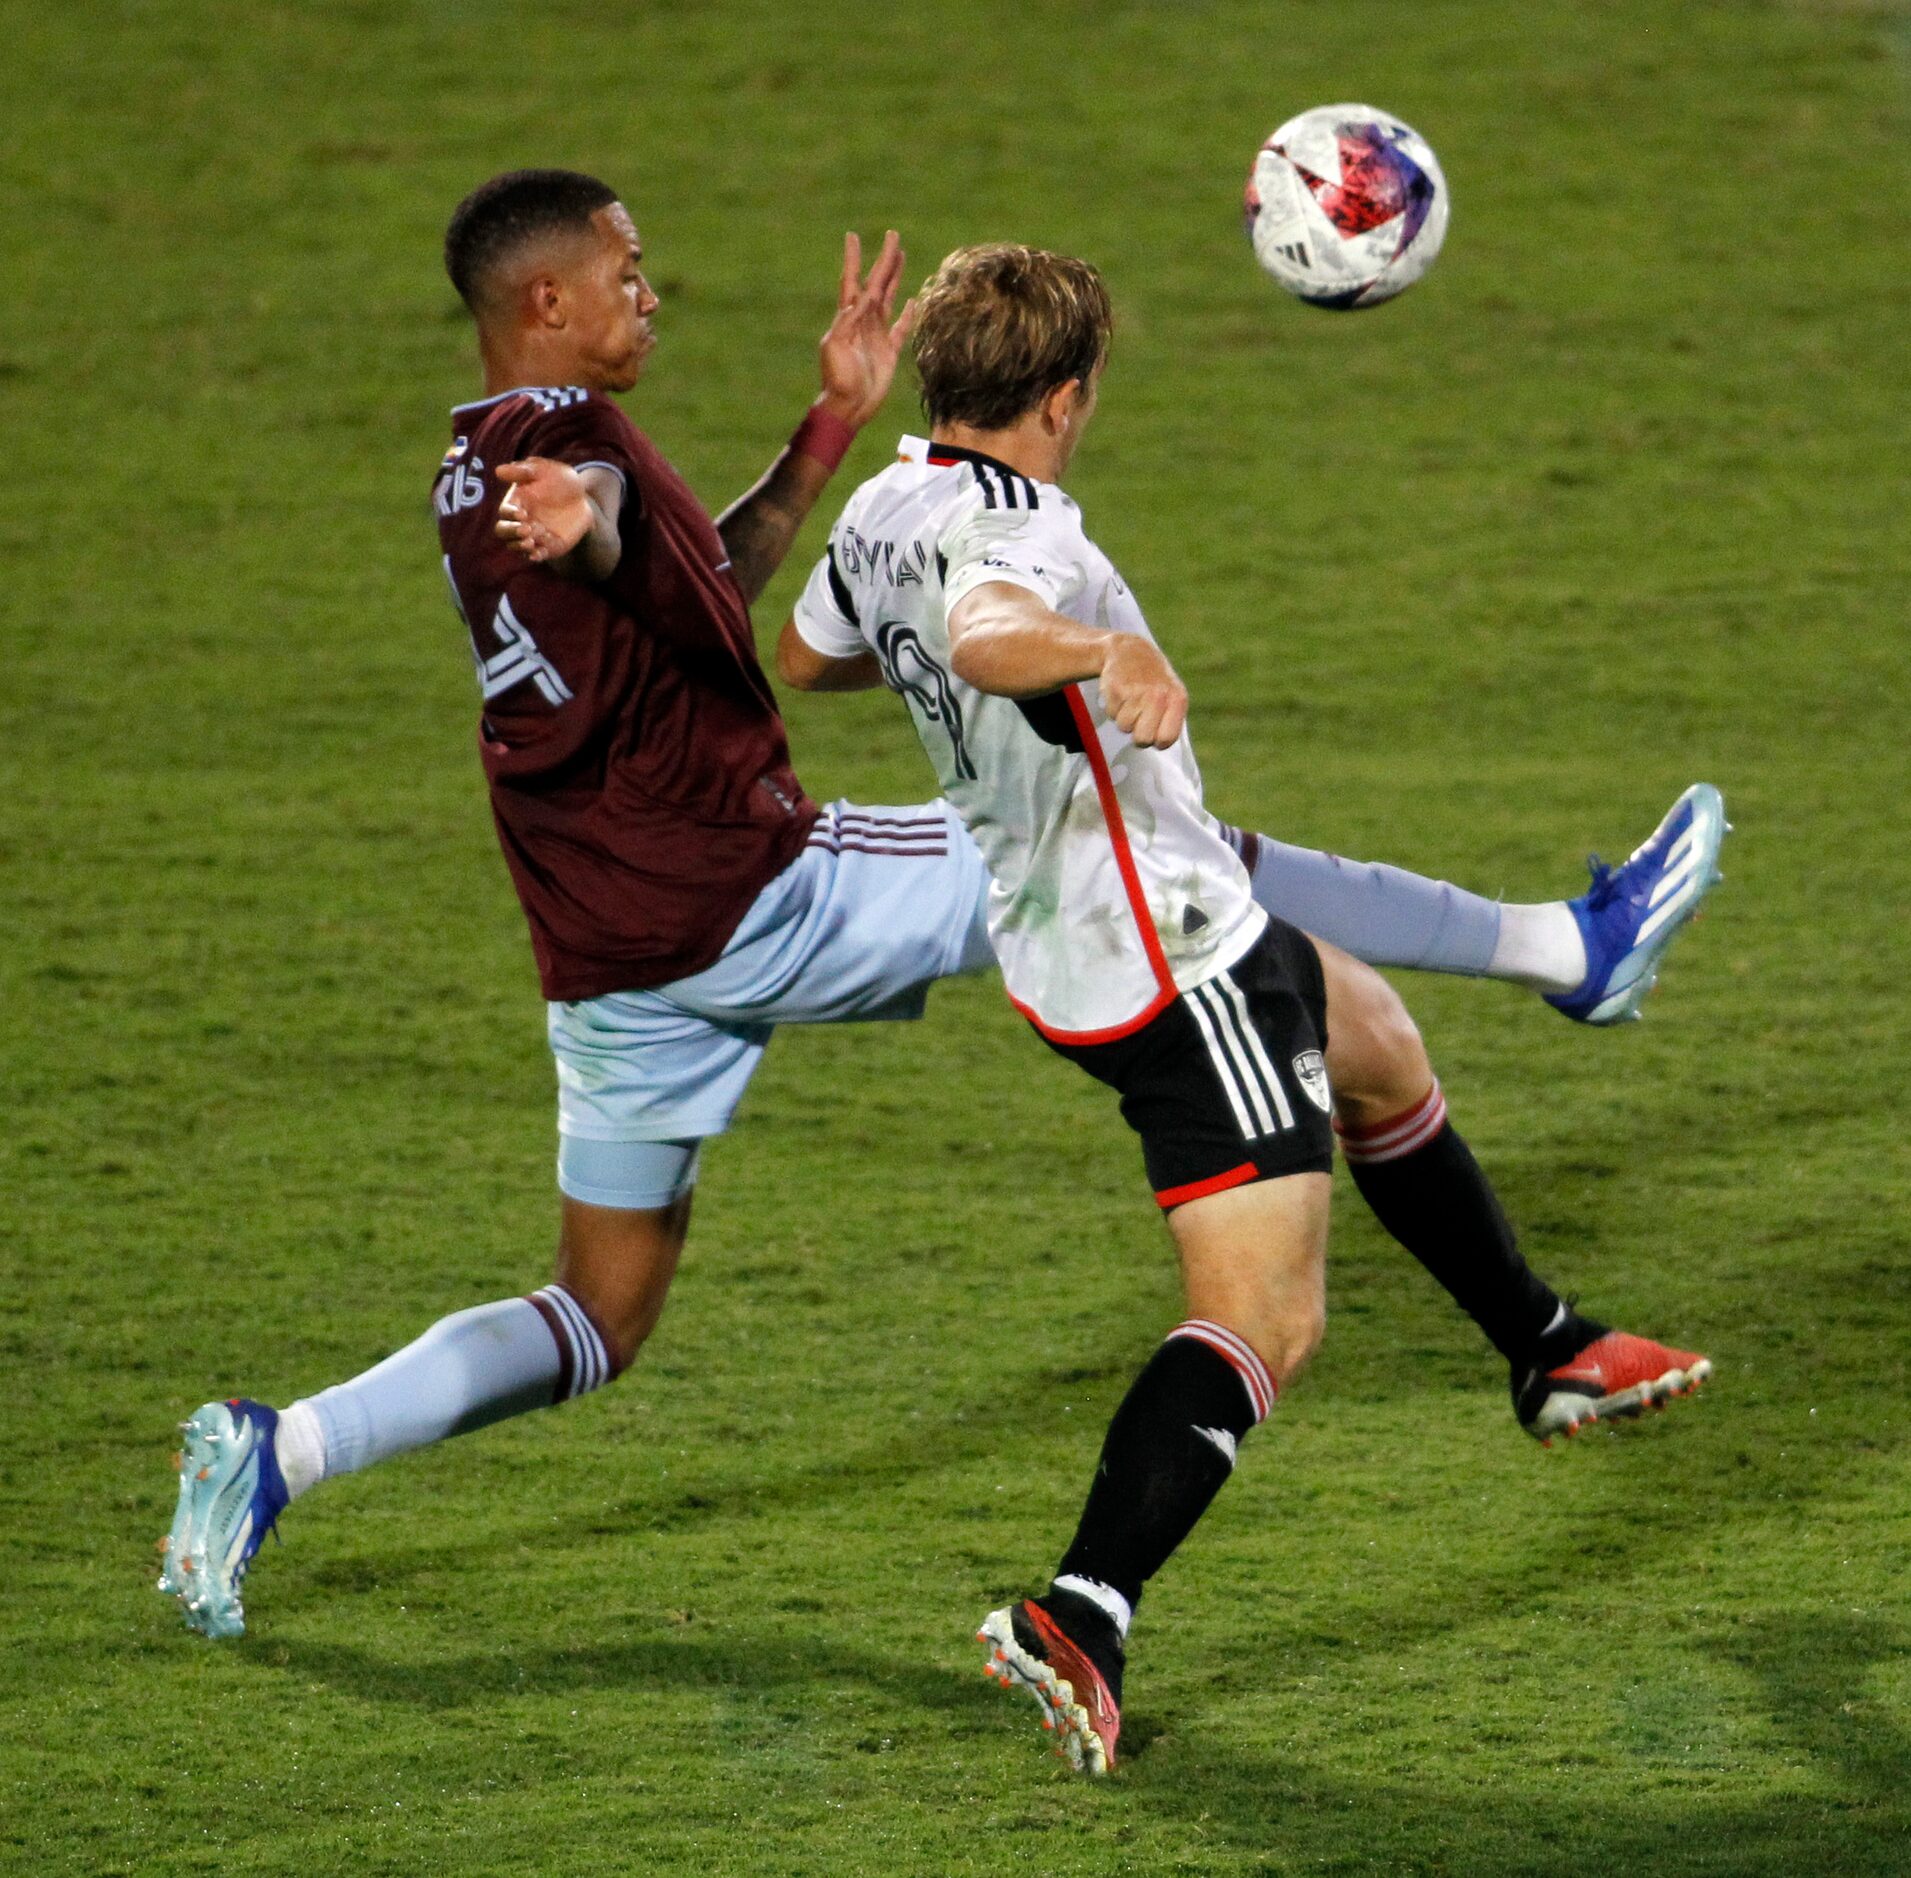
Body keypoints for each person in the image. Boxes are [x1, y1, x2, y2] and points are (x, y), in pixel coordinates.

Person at [157, 174, 1721, 1645]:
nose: (654, 294)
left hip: (609, 948)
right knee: (1153, 854)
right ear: (547, 300)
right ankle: (1562, 949)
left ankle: (276, 1448)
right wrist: (607, 520)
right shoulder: (566, 454)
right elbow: (634, 540)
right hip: (759, 885)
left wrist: (830, 422)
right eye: (626, 274)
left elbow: (699, 585)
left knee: (595, 1311)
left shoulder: (472, 462)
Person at [776, 243, 1715, 1774]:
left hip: (1071, 934)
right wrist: (1102, 648)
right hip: (1177, 958)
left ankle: (1548, 1349)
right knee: (1266, 1313)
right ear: (1067, 400)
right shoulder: (1023, 538)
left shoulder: (891, 504)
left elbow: (810, 654)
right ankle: (1079, 1608)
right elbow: (985, 636)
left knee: (1381, 1045)